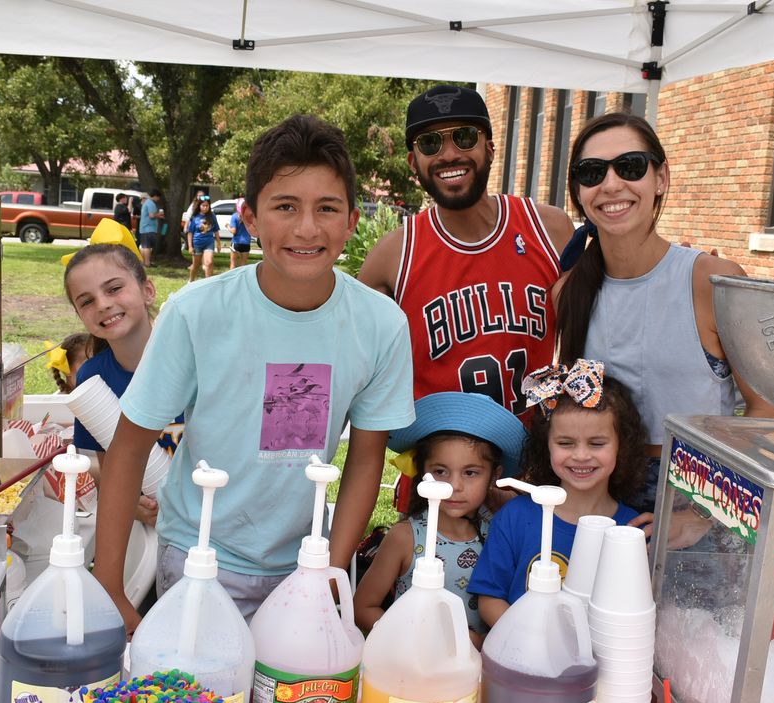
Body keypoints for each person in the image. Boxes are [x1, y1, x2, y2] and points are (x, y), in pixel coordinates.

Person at [93, 114, 415, 630]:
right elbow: (128, 447)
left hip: (306, 566)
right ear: (248, 218)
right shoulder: (196, 313)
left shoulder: (381, 325)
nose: (307, 228)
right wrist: (110, 588)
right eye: (285, 207)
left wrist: (328, 573)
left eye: (326, 208)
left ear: (352, 221)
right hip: (201, 557)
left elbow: (365, 458)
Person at [554, 112, 774, 513]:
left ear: (661, 178)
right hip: (597, 489)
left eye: (630, 166)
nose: (610, 185)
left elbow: (769, 412)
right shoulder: (568, 292)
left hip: (697, 487)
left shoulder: (712, 281)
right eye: (591, 172)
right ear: (578, 189)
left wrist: (703, 515)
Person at [358, 84, 575, 421]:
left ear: (490, 148)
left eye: (464, 137)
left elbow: (591, 340)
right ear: (413, 162)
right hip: (440, 469)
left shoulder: (550, 229)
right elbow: (362, 380)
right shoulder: (392, 257)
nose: (448, 154)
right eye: (431, 142)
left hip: (537, 462)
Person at [468, 360, 649, 627]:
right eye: (566, 443)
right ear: (546, 446)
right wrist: (530, 641)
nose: (581, 455)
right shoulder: (515, 517)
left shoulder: (632, 531)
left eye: (597, 443)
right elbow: (489, 599)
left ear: (622, 446)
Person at [352, 392, 528, 648]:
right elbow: (363, 607)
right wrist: (410, 638)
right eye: (440, 471)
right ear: (422, 472)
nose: (454, 485)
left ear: (494, 476)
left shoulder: (501, 531)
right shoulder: (405, 537)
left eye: (470, 472)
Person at [63, 226, 185, 530]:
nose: (103, 304)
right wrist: (133, 506)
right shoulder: (92, 380)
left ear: (148, 290)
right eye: (87, 301)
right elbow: (110, 470)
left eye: (114, 288)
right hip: (152, 531)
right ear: (80, 315)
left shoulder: (194, 361)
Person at [185, 195, 220, 281]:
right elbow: (190, 233)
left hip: (209, 242)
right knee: (195, 265)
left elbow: (216, 230)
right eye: (203, 205)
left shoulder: (212, 216)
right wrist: (190, 246)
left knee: (209, 263)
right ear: (199, 206)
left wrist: (218, 243)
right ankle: (191, 280)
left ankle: (208, 283)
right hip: (197, 243)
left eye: (207, 206)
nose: (205, 207)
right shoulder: (195, 217)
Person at [138, 189, 164, 268]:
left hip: (144, 227)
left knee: (144, 246)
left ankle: (144, 262)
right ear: (155, 196)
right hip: (149, 227)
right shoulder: (151, 203)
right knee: (147, 246)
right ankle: (147, 263)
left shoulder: (146, 202)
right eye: (158, 197)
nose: (158, 199)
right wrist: (159, 214)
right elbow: (151, 215)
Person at [228, 197, 252, 269]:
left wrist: (228, 226)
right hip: (246, 243)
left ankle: (231, 279)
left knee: (233, 264)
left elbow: (233, 231)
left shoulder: (235, 216)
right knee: (243, 265)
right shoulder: (249, 216)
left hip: (236, 243)